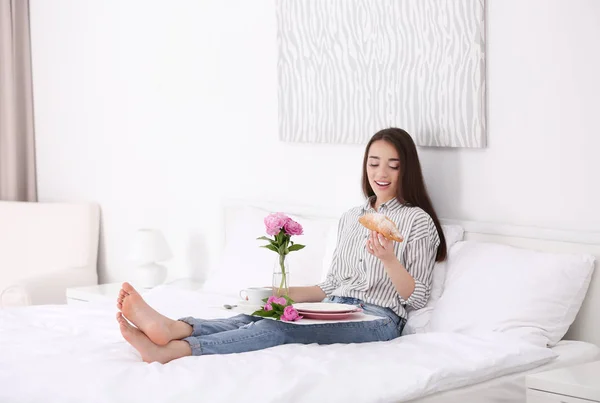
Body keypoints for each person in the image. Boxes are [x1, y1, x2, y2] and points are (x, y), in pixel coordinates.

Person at [116, 127, 447, 363]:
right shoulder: (352, 217)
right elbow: (330, 285)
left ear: (407, 169)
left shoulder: (417, 221)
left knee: (279, 329)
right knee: (262, 315)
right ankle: (176, 327)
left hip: (380, 319)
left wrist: (389, 260)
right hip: (334, 306)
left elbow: (415, 297)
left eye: (393, 164)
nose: (382, 173)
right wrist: (281, 295)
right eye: (374, 162)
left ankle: (176, 349)